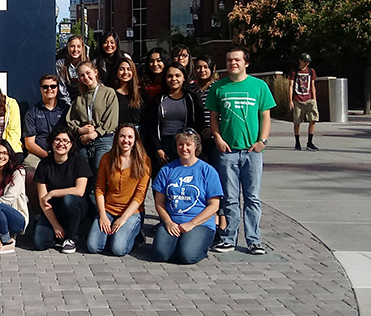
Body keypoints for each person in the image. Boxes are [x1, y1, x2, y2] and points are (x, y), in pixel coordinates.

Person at [207, 46, 275, 255]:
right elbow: (213, 117)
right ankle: (229, 238)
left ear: (246, 62)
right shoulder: (218, 87)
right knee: (230, 197)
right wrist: (217, 138)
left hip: (252, 152)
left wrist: (262, 141)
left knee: (252, 197)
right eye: (229, 60)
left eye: (236, 60)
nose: (232, 63)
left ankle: (254, 240)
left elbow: (265, 116)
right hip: (228, 151)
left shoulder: (259, 86)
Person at [152, 131, 223, 264]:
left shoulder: (207, 171)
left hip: (199, 222)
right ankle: (179, 244)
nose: (184, 148)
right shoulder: (167, 170)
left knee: (187, 256)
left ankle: (199, 247)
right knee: (161, 254)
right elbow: (159, 202)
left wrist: (192, 224)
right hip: (173, 221)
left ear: (196, 146)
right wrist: (168, 222)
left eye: (188, 145)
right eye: (180, 144)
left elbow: (214, 205)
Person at [88, 124, 150, 257]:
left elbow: (140, 195)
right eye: (122, 136)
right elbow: (99, 188)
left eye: (130, 137)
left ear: (135, 140)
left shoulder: (144, 160)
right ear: (116, 138)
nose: (125, 140)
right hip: (109, 209)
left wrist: (123, 218)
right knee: (93, 246)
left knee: (118, 249)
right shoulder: (106, 158)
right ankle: (115, 234)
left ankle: (135, 234)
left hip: (132, 212)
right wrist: (103, 215)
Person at [30, 130, 92, 254]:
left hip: (76, 207)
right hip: (54, 211)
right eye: (57, 139)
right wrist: (55, 225)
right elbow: (43, 200)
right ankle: (60, 233)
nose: (61, 144)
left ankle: (71, 238)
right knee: (39, 242)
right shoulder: (44, 164)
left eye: (65, 141)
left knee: (68, 199)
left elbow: (79, 191)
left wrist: (53, 193)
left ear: (71, 144)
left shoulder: (79, 160)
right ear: (52, 143)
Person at [141, 63, 202, 167]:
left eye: (177, 75)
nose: (173, 79)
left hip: (186, 144)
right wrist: (158, 149)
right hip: (164, 144)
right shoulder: (157, 100)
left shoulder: (192, 98)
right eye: (169, 76)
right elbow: (151, 126)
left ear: (184, 78)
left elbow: (199, 123)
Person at [65, 61, 119, 172]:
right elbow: (71, 119)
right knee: (83, 172)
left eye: (88, 73)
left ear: (95, 72)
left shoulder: (108, 93)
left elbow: (112, 119)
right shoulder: (80, 98)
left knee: (99, 170)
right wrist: (79, 129)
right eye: (82, 75)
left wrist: (95, 133)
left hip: (104, 138)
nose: (86, 77)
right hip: (84, 140)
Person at [23, 74, 68, 170]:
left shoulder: (66, 110)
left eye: (53, 86)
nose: (49, 89)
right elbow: (29, 144)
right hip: (38, 153)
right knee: (29, 168)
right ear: (40, 89)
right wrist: (47, 156)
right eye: (45, 87)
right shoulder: (32, 112)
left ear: (57, 88)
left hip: (63, 151)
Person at [290, 53, 320, 151]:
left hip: (309, 99)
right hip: (298, 99)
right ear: (300, 61)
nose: (306, 63)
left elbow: (312, 85)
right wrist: (290, 100)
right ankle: (297, 143)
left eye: (308, 62)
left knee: (313, 119)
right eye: (305, 61)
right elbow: (290, 86)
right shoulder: (294, 71)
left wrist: (314, 99)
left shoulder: (311, 71)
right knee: (297, 121)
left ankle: (310, 142)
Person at [55, 35, 87, 105]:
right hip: (65, 103)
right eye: (72, 46)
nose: (75, 49)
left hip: (83, 102)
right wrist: (70, 105)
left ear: (82, 48)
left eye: (78, 46)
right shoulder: (60, 64)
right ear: (68, 47)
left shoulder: (87, 64)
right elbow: (61, 89)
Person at [115, 57, 145, 128]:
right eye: (121, 69)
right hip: (119, 131)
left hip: (138, 131)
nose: (125, 72)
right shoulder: (112, 94)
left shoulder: (141, 92)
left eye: (129, 69)